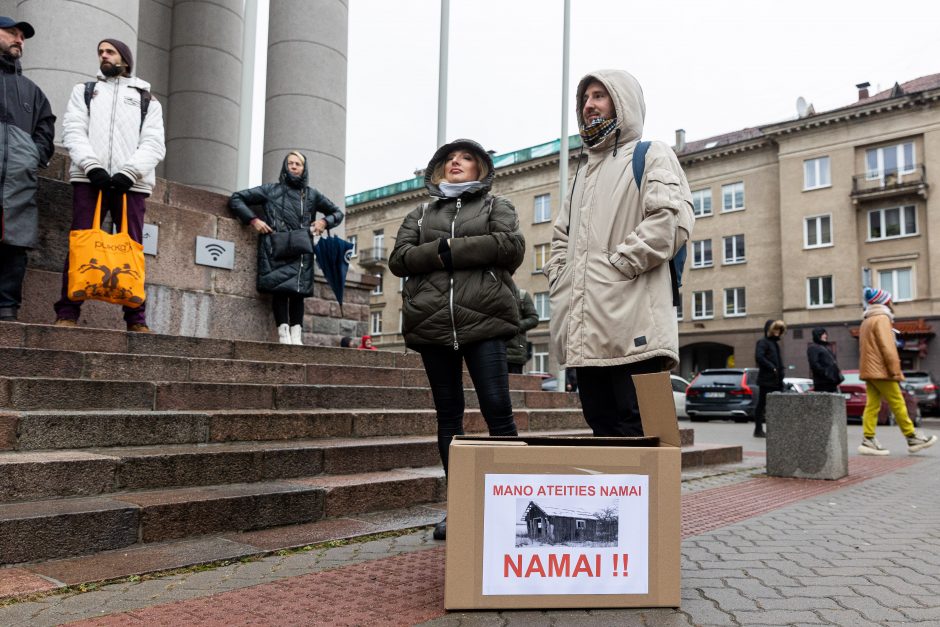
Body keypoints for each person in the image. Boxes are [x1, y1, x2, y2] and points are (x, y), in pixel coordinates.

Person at [543, 70, 694, 437]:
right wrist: (559, 276)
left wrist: (619, 265)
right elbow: (561, 238)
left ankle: (652, 498)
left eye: (599, 96)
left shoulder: (650, 154)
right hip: (588, 332)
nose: (589, 105)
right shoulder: (582, 174)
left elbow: (671, 219)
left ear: (621, 103)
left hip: (636, 327)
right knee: (603, 428)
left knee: (643, 430)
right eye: (585, 99)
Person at [389, 138, 524, 540]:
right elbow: (399, 259)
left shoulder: (496, 206)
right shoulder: (420, 212)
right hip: (432, 323)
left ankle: (512, 499)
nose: (456, 163)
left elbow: (509, 247)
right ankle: (460, 505)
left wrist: (444, 250)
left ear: (480, 167)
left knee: (497, 407)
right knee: (449, 415)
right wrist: (450, 252)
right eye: (450, 159)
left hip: (484, 320)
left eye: (466, 158)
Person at [54, 39, 165, 332]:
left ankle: (136, 319)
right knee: (80, 245)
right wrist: (92, 167)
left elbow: (154, 144)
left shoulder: (147, 99)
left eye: (110, 52)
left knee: (133, 248)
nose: (103, 55)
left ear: (124, 60)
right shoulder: (85, 91)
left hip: (133, 184)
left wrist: (129, 173)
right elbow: (73, 130)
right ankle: (67, 313)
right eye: (100, 51)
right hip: (90, 179)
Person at [229, 151, 343, 344]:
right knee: (280, 290)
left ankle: (297, 336)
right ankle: (283, 335)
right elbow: (236, 198)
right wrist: (254, 220)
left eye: (298, 164)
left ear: (304, 168)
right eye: (290, 163)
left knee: (298, 293)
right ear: (285, 166)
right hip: (276, 246)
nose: (294, 167)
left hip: (301, 247)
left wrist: (324, 221)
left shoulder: (312, 195)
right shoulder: (270, 190)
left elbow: (337, 213)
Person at [0, 17, 55, 322]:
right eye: (12, 33)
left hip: (19, 179)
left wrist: (33, 157)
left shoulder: (33, 91)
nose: (19, 39)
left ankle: (7, 309)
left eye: (22, 36)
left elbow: (46, 127)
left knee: (15, 244)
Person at [857, 287, 936, 455]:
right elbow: (887, 347)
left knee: (872, 405)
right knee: (898, 402)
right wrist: (895, 370)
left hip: (869, 369)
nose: (892, 302)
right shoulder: (882, 318)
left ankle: (868, 440)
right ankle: (912, 437)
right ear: (885, 301)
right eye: (890, 300)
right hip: (882, 370)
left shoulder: (866, 320)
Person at [754, 319, 786, 438]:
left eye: (779, 329)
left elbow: (778, 361)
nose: (777, 332)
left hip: (776, 380)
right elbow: (759, 357)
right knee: (762, 405)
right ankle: (758, 429)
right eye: (775, 329)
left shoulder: (775, 344)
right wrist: (772, 367)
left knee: (776, 404)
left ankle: (775, 428)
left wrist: (781, 370)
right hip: (766, 380)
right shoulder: (763, 342)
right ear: (770, 330)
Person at [506, 288, 538, 374]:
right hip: (493, 351)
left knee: (514, 384)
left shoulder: (521, 295)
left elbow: (533, 319)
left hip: (514, 355)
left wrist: (512, 327)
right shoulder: (491, 292)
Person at [807, 327, 843, 393]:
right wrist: (825, 373)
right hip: (822, 382)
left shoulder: (825, 347)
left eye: (825, 334)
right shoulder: (813, 348)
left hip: (832, 381)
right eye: (823, 334)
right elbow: (814, 364)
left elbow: (832, 363)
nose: (825, 336)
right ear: (818, 335)